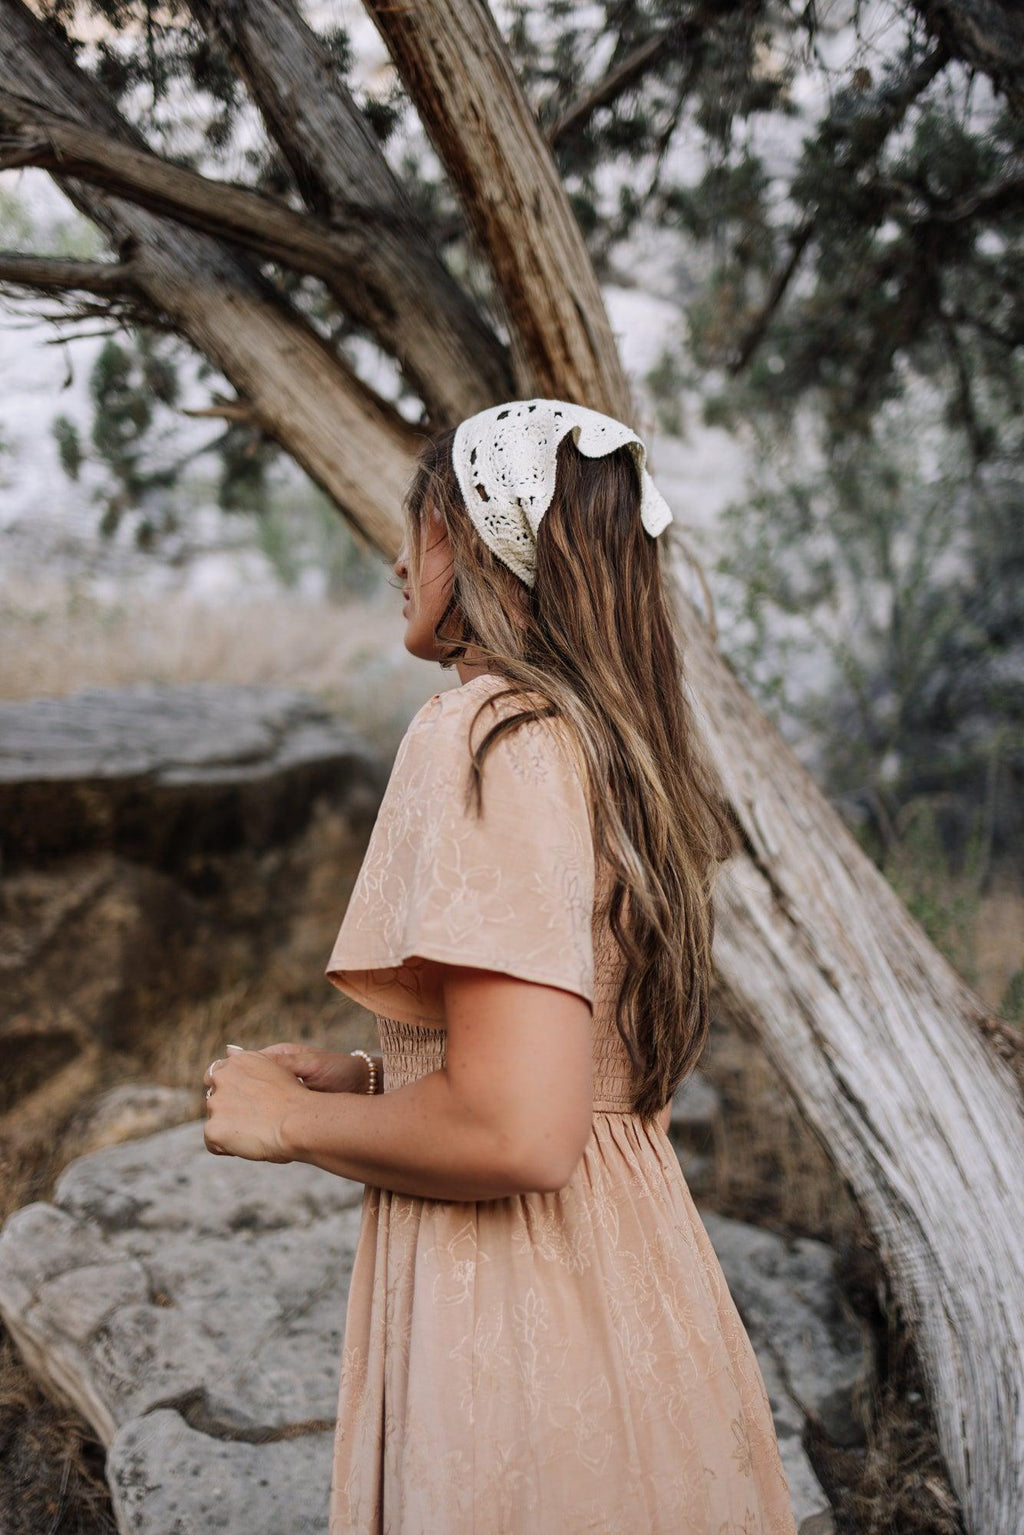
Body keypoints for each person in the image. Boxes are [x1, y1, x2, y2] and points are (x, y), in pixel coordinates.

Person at [203, 399, 799, 1533]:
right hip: (642, 1292)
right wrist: (378, 1081)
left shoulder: (488, 736)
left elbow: (518, 1133)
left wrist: (288, 1119)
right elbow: (585, 1079)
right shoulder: (615, 752)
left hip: (522, 1312)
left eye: (423, 525)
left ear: (485, 540)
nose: (399, 560)